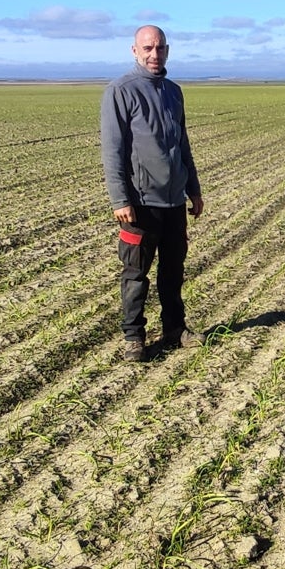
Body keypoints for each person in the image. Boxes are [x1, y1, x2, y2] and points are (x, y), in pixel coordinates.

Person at [100, 25, 204, 362]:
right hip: (140, 204)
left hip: (173, 201)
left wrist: (194, 189)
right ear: (134, 50)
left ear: (168, 50)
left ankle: (175, 328)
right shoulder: (121, 91)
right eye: (147, 48)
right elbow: (112, 150)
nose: (154, 54)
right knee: (135, 274)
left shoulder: (174, 91)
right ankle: (134, 337)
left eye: (159, 48)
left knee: (173, 271)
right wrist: (120, 199)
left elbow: (182, 144)